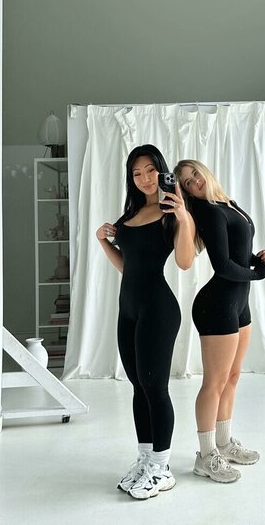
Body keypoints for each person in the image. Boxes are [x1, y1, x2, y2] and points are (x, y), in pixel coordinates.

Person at [96, 145, 195, 500]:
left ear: (161, 170)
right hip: (129, 310)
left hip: (158, 310)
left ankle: (162, 468)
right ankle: (146, 459)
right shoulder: (131, 214)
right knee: (138, 386)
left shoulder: (172, 213)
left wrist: (184, 217)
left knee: (156, 388)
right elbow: (129, 267)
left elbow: (185, 262)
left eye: (150, 170)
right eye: (137, 173)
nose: (145, 178)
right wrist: (103, 242)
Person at [174, 159, 265, 483]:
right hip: (217, 305)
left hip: (238, 304)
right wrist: (257, 273)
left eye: (194, 174)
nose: (194, 182)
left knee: (232, 377)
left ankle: (224, 443)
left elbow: (238, 253)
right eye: (187, 183)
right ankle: (205, 456)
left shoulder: (227, 203)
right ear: (185, 191)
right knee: (214, 383)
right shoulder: (208, 212)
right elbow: (223, 266)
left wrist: (257, 259)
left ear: (204, 171)